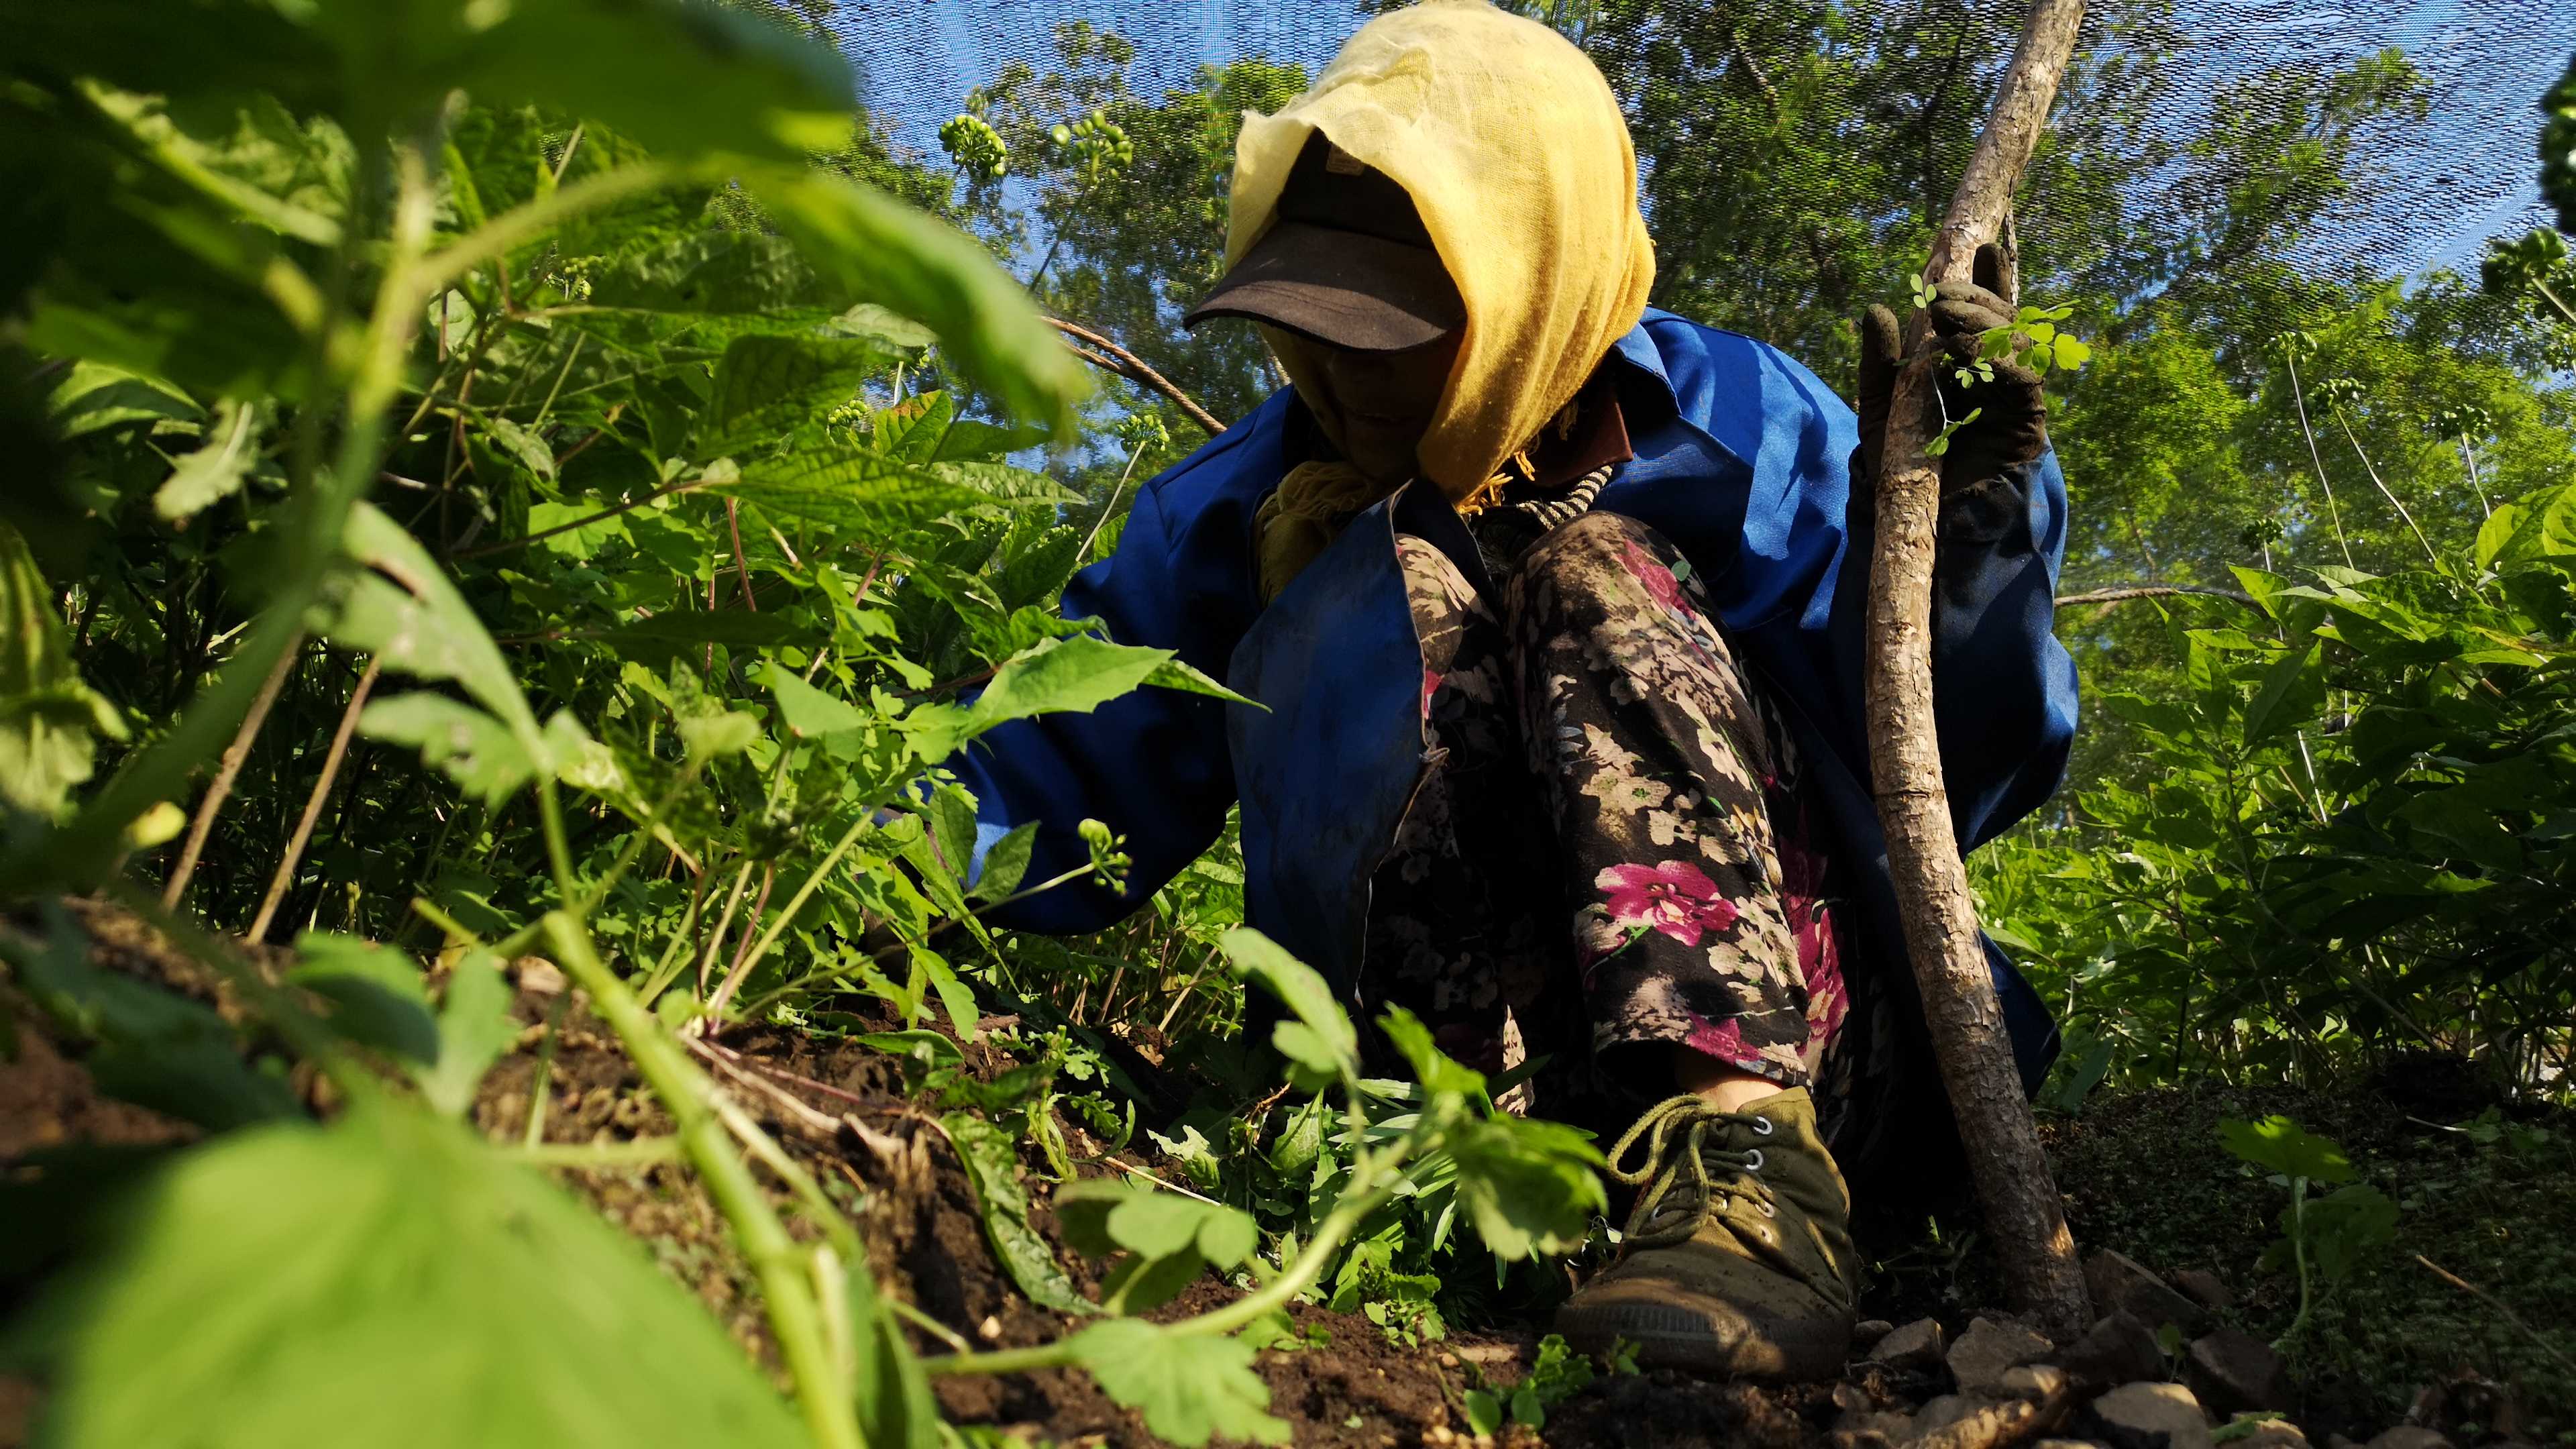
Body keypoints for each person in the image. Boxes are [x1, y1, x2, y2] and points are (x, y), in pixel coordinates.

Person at [943, 0, 2076, 1380]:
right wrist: (857, 851)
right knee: (1391, 590)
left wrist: (1963, 540)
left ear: (1539, 277)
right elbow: (1048, 774)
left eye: (1404, 323)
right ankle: (1458, 1189)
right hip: (1443, 1123)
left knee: (1592, 566)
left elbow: (1954, 773)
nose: (1351, 371)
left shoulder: (1748, 427)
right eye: (1318, 320)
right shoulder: (1237, 511)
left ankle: (1748, 1179)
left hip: (1822, 1061)